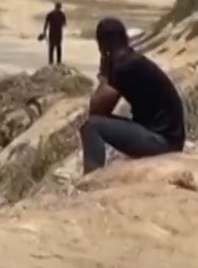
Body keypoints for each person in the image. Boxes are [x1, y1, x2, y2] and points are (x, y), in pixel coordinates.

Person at [79, 19, 186, 174]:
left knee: (91, 126)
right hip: (169, 138)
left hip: (163, 143)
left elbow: (97, 108)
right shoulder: (131, 59)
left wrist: (104, 76)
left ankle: (90, 178)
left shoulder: (122, 65)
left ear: (102, 45)